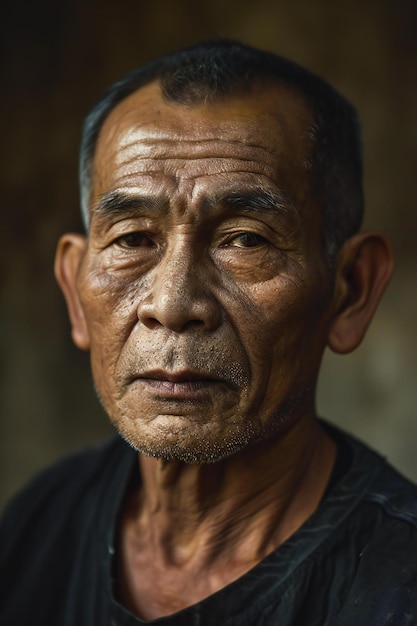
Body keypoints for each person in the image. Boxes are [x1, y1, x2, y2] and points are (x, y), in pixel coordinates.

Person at [0, 39, 415, 626]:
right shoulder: (38, 527)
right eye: (133, 239)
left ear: (350, 291)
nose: (172, 305)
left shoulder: (396, 589)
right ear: (74, 289)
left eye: (246, 239)